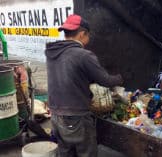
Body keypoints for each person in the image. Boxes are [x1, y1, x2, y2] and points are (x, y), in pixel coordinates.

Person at [45, 14, 123, 157]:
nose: (89, 40)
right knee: (86, 153)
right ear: (82, 34)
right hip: (76, 117)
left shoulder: (52, 52)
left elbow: (70, 74)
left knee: (66, 152)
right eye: (89, 36)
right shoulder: (83, 55)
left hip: (55, 114)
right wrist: (120, 78)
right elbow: (105, 80)